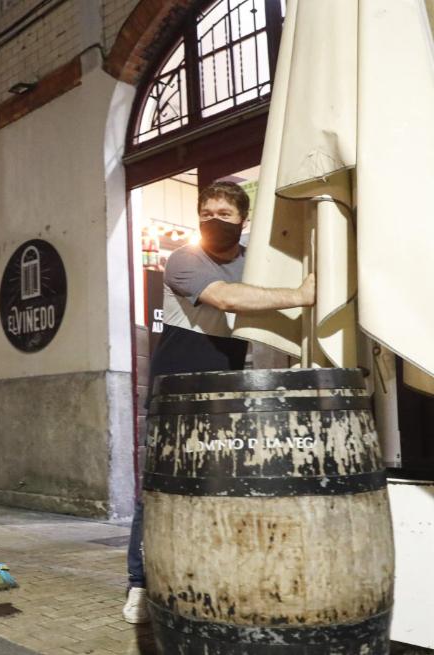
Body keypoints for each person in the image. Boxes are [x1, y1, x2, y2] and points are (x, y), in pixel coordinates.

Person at [122, 181, 316, 623]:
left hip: (227, 396)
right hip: (176, 395)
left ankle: (204, 575)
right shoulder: (185, 259)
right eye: (206, 212)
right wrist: (300, 296)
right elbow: (228, 298)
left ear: (242, 221)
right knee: (156, 490)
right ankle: (138, 584)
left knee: (216, 490)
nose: (213, 220)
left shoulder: (252, 261)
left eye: (224, 214)